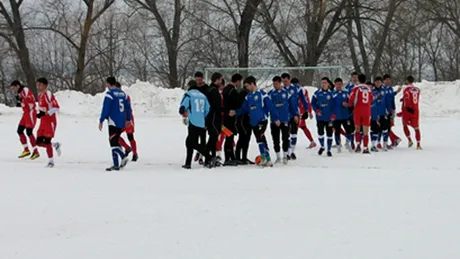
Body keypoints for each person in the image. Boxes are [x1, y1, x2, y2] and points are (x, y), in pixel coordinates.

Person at [237, 76, 280, 167]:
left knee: (260, 137)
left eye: (247, 86)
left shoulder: (262, 94)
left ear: (252, 84)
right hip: (253, 122)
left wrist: (275, 118)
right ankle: (267, 159)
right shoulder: (248, 97)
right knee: (261, 139)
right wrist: (235, 112)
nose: (246, 88)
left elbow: (271, 106)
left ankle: (264, 158)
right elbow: (244, 108)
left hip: (262, 120)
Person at [179, 80, 214, 169]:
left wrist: (184, 112)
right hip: (201, 123)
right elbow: (208, 109)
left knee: (192, 143)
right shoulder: (203, 96)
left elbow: (182, 108)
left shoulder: (189, 95)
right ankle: (188, 163)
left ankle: (209, 156)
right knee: (189, 142)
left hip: (193, 122)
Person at [99, 77, 132, 171]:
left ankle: (122, 157)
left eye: (106, 84)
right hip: (122, 121)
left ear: (109, 84)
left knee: (113, 143)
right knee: (115, 141)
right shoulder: (123, 94)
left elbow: (106, 108)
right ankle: (116, 165)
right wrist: (128, 119)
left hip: (113, 121)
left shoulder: (109, 94)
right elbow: (128, 107)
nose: (106, 86)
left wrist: (101, 120)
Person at [281, 73, 309, 160]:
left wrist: (306, 111)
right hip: (285, 115)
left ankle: (292, 152)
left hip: (295, 114)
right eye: (283, 81)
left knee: (294, 133)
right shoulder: (281, 89)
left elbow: (304, 100)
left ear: (289, 80)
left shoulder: (297, 89)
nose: (284, 83)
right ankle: (287, 152)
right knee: (286, 134)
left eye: (286, 81)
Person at [36, 78, 61, 167]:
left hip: (50, 122)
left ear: (45, 85)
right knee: (38, 142)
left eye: (40, 84)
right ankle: (55, 145)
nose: (38, 86)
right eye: (37, 84)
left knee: (46, 142)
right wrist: (40, 114)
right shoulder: (39, 95)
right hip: (43, 122)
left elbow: (56, 107)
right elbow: (43, 108)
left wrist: (47, 113)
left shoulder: (48, 94)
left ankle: (51, 161)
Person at [11, 80, 39, 159]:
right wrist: (20, 103)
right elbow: (24, 103)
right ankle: (26, 149)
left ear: (18, 86)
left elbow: (30, 101)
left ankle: (36, 151)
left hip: (30, 112)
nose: (13, 90)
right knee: (19, 130)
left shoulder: (25, 90)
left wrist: (21, 101)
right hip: (25, 114)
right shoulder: (20, 92)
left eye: (14, 88)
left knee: (29, 132)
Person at [268, 76, 292, 164]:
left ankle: (285, 156)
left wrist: (294, 115)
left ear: (280, 83)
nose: (275, 85)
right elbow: (269, 107)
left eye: (276, 84)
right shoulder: (271, 93)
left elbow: (291, 105)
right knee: (275, 139)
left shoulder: (286, 93)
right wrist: (274, 118)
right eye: (273, 84)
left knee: (285, 138)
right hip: (274, 121)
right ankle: (278, 157)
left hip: (285, 119)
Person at [348, 74, 373, 154]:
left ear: (358, 80)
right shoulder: (368, 88)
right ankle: (365, 148)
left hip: (358, 110)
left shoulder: (356, 88)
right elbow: (371, 99)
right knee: (366, 131)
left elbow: (351, 99)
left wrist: (350, 105)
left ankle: (358, 145)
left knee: (357, 128)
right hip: (367, 111)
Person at [114, 82, 138, 161]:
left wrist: (128, 119)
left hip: (127, 119)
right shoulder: (113, 97)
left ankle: (135, 154)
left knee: (130, 136)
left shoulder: (125, 96)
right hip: (120, 120)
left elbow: (128, 108)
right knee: (115, 136)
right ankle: (127, 148)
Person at [222, 74, 243, 166]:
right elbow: (237, 104)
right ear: (238, 81)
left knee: (228, 137)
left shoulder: (225, 89)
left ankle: (230, 156)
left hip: (224, 117)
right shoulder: (233, 91)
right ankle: (228, 158)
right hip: (230, 117)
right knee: (229, 138)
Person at [312, 77, 335, 156]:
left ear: (328, 84)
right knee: (320, 133)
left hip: (329, 118)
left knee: (329, 134)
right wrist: (316, 110)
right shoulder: (317, 93)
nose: (323, 84)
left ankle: (329, 150)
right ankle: (322, 146)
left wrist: (333, 114)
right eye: (322, 83)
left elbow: (335, 105)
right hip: (320, 118)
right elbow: (313, 103)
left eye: (325, 82)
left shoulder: (332, 93)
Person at [398, 75, 422, 149]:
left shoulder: (406, 90)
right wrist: (403, 99)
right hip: (415, 110)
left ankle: (410, 140)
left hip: (408, 111)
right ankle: (418, 145)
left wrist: (403, 111)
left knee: (405, 125)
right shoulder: (417, 89)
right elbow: (414, 98)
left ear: (407, 81)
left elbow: (407, 100)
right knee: (416, 128)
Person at [331, 78, 354, 153]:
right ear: (335, 84)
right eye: (337, 84)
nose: (338, 86)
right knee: (337, 131)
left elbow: (351, 103)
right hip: (336, 116)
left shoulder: (346, 92)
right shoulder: (332, 93)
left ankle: (348, 143)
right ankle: (338, 146)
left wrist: (348, 105)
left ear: (342, 84)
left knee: (349, 130)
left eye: (340, 84)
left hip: (345, 115)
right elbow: (330, 105)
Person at [293, 78, 316, 149]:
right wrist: (309, 111)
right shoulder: (303, 90)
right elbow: (307, 101)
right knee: (303, 127)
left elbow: (303, 101)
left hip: (298, 112)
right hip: (302, 111)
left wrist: (308, 111)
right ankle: (312, 142)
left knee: (295, 127)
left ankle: (291, 144)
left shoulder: (295, 89)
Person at [235, 80, 253, 164]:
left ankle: (244, 157)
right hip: (242, 119)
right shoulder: (243, 93)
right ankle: (238, 157)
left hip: (248, 119)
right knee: (242, 137)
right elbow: (241, 106)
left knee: (247, 138)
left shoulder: (250, 93)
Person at [370, 77, 390, 151]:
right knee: (374, 130)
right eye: (376, 82)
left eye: (379, 82)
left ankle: (385, 144)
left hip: (383, 113)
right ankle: (373, 145)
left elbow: (387, 101)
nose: (378, 83)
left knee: (385, 129)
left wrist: (388, 110)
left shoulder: (384, 90)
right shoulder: (371, 91)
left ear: (381, 82)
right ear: (374, 83)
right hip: (374, 113)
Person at [383, 74, 402, 147]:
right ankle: (394, 140)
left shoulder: (390, 88)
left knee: (387, 127)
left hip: (390, 110)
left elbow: (390, 97)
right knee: (386, 127)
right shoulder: (383, 88)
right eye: (386, 80)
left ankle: (395, 139)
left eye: (389, 79)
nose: (388, 81)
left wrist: (396, 92)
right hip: (385, 110)